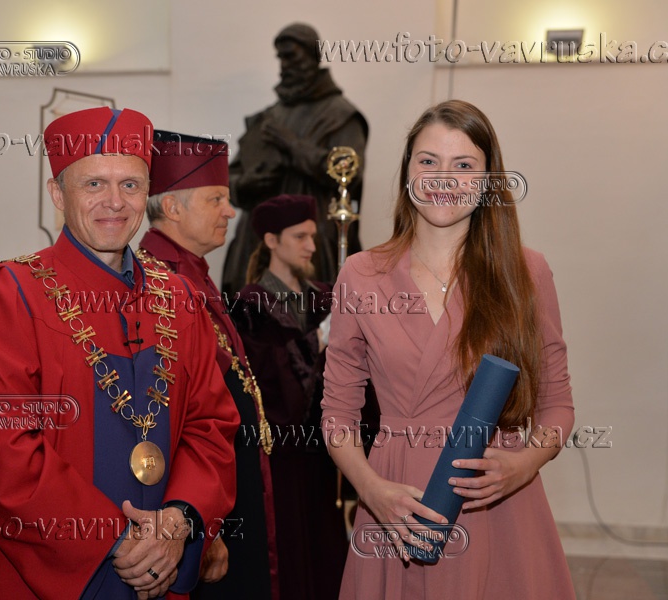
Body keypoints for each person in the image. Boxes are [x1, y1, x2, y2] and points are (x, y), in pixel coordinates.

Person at [0, 108, 240, 600]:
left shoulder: (180, 299)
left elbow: (211, 425)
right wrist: (116, 542)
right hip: (39, 579)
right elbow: (5, 453)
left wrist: (179, 520)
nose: (114, 202)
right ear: (58, 194)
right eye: (94, 184)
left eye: (130, 185)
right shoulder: (4, 295)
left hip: (161, 571)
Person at [320, 99, 576, 599]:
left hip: (495, 500)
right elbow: (337, 414)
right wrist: (371, 490)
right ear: (407, 171)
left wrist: (522, 465)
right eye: (428, 161)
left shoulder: (526, 272)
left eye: (463, 165)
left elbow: (558, 405)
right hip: (395, 501)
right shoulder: (361, 275)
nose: (443, 178)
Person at [136, 130, 278, 600]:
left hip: (227, 491)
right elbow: (159, 418)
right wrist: (202, 525)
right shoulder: (155, 283)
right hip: (204, 511)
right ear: (172, 207)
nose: (230, 211)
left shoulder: (194, 272)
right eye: (216, 198)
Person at [232, 194, 346, 600]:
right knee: (291, 563)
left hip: (324, 459)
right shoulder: (249, 306)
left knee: (328, 564)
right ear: (271, 240)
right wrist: (317, 340)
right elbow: (264, 381)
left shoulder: (325, 298)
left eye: (313, 236)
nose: (311, 246)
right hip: (279, 460)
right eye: (300, 237)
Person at [221, 22, 368, 297]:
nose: (284, 65)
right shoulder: (269, 117)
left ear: (314, 56)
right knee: (248, 318)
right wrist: (247, 183)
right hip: (257, 242)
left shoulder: (340, 115)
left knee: (307, 316)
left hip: (312, 241)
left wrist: (292, 145)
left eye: (291, 57)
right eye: (280, 58)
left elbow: (349, 173)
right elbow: (229, 177)